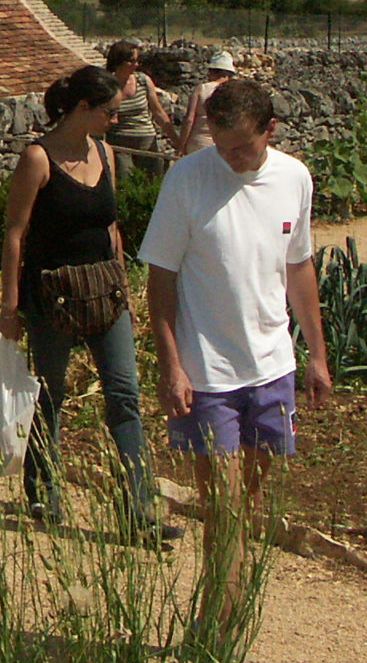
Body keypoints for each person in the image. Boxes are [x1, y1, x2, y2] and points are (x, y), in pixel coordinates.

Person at [139, 77, 331, 564]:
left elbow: (298, 267)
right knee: (222, 511)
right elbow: (160, 279)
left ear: (270, 129)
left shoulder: (295, 178)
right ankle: (219, 608)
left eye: (242, 147)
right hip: (208, 374)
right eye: (222, 147)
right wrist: (171, 365)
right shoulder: (186, 179)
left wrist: (317, 356)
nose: (230, 158)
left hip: (272, 365)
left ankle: (231, 604)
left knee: (247, 507)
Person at [0, 64, 181, 540]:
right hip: (52, 294)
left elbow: (111, 228)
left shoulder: (105, 153)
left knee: (125, 395)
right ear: (83, 107)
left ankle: (139, 510)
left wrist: (126, 291)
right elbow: (15, 234)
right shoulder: (38, 159)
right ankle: (44, 491)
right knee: (50, 395)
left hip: (105, 290)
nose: (115, 121)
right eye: (109, 112)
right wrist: (10, 307)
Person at [104, 40, 181, 171]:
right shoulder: (107, 84)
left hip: (146, 139)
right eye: (131, 61)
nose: (136, 65)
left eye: (137, 61)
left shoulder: (143, 80)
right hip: (119, 142)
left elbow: (158, 112)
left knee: (152, 178)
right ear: (118, 61)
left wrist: (176, 140)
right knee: (124, 177)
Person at [175, 49, 238, 155]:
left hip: (197, 143)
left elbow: (189, 119)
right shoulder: (234, 92)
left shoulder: (201, 89)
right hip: (222, 146)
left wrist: (181, 146)